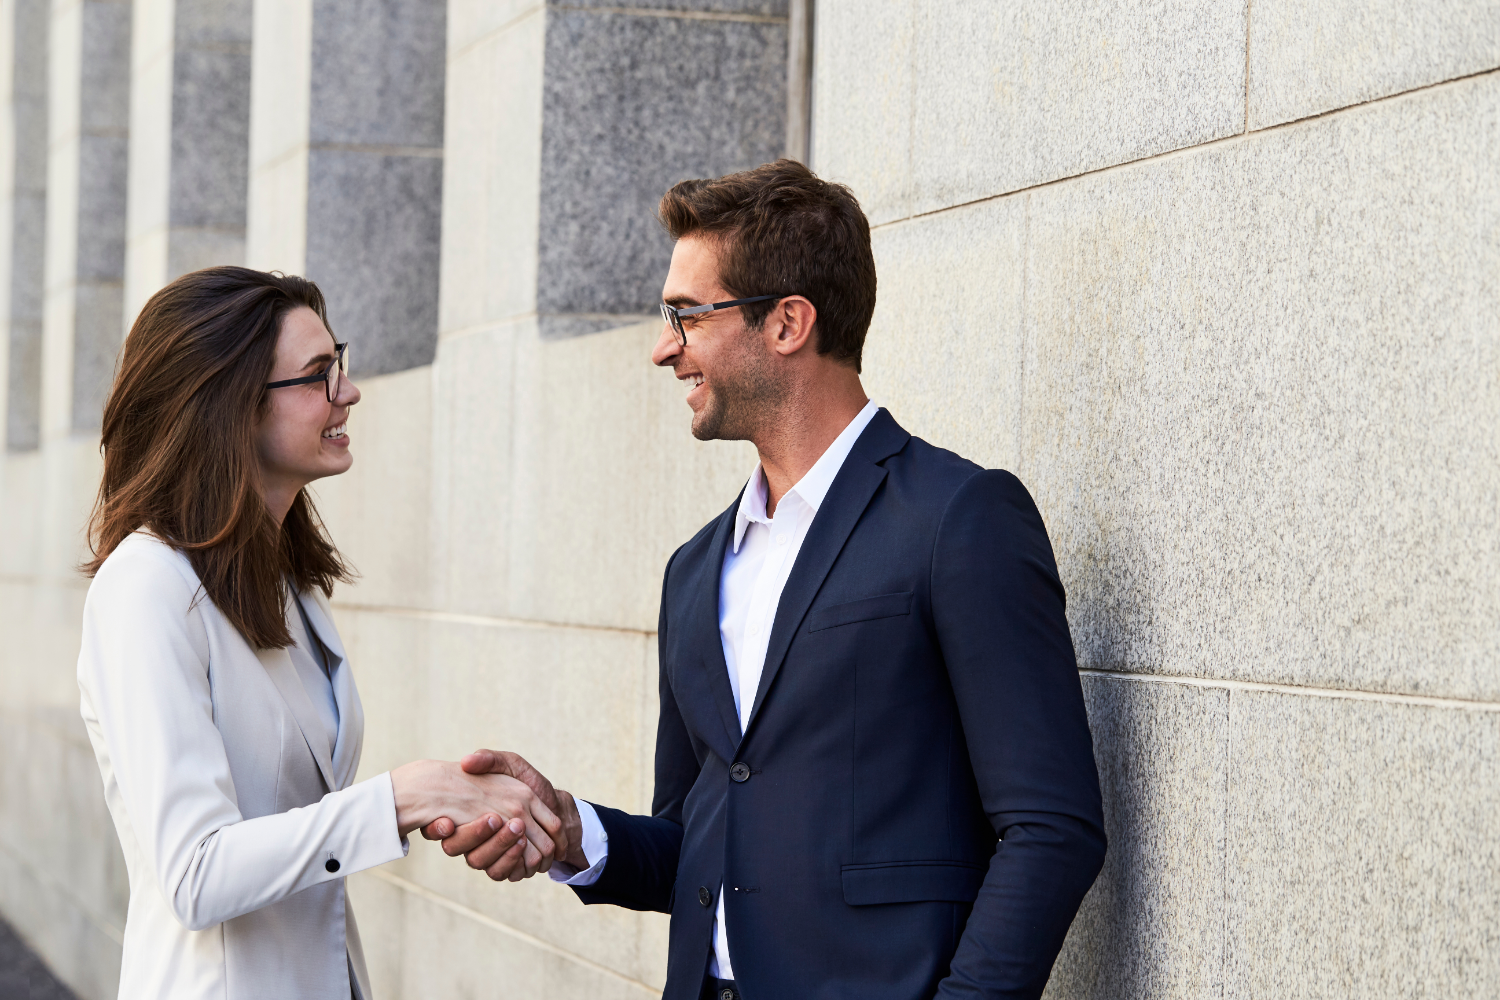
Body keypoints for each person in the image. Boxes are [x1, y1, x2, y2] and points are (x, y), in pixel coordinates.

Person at [430, 161, 1107, 999]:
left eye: (687, 315)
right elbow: (700, 846)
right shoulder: (694, 570)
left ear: (788, 323)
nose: (662, 347)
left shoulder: (959, 518)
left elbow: (1052, 828)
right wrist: (576, 835)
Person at [76, 267, 566, 1000]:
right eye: (317, 375)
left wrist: (449, 801)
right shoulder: (146, 587)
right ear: (230, 404)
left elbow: (308, 830)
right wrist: (400, 798)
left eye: (340, 363)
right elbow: (194, 873)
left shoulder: (285, 578)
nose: (349, 391)